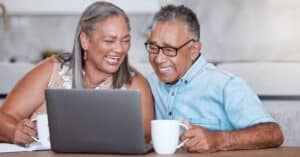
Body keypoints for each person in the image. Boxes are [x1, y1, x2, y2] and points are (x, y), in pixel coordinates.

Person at [0, 1, 153, 145]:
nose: (120, 49)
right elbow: (4, 118)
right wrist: (14, 131)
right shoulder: (51, 70)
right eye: (109, 41)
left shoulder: (136, 84)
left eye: (125, 40)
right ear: (85, 41)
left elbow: (144, 136)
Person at [145, 5, 283, 153]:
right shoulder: (148, 84)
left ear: (194, 50)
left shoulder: (226, 85)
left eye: (169, 50)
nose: (159, 59)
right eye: (153, 47)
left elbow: (274, 133)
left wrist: (218, 140)